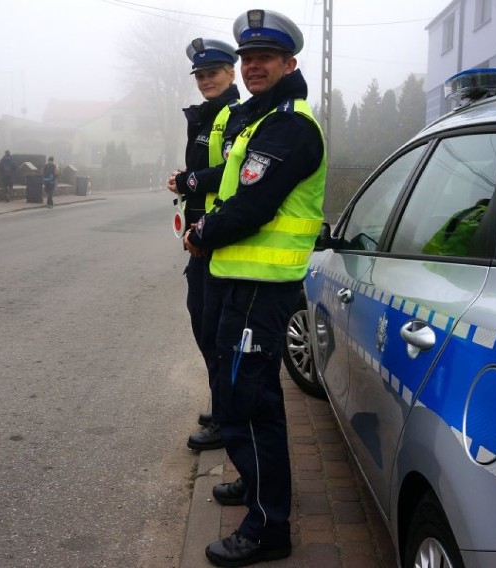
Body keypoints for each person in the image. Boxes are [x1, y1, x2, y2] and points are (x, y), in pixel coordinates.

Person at [183, 9, 326, 567]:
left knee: (252, 400)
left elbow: (255, 202)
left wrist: (203, 232)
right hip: (237, 281)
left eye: (264, 57)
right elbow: (228, 181)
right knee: (238, 393)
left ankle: (269, 527)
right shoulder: (260, 118)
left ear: (289, 63)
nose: (252, 66)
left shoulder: (291, 125)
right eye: (247, 58)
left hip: (262, 288)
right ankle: (255, 484)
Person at [168, 38, 241, 453]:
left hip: (219, 239)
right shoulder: (207, 115)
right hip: (202, 236)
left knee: (214, 330)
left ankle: (226, 418)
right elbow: (207, 167)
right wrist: (187, 177)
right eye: (199, 74)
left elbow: (231, 170)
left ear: (230, 74)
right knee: (203, 325)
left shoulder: (233, 114)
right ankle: (221, 405)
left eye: (212, 72)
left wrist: (189, 181)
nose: (205, 80)